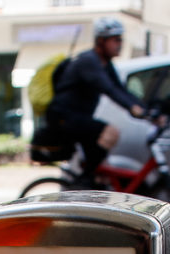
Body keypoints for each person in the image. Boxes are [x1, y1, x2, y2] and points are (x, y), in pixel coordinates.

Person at [46, 17, 146, 187]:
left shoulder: (105, 64)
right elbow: (109, 89)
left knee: (101, 168)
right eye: (115, 40)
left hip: (78, 118)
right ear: (101, 41)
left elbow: (121, 90)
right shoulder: (88, 61)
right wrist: (132, 108)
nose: (120, 44)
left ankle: (89, 183)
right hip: (64, 118)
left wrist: (146, 109)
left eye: (121, 39)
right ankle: (84, 181)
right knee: (110, 133)